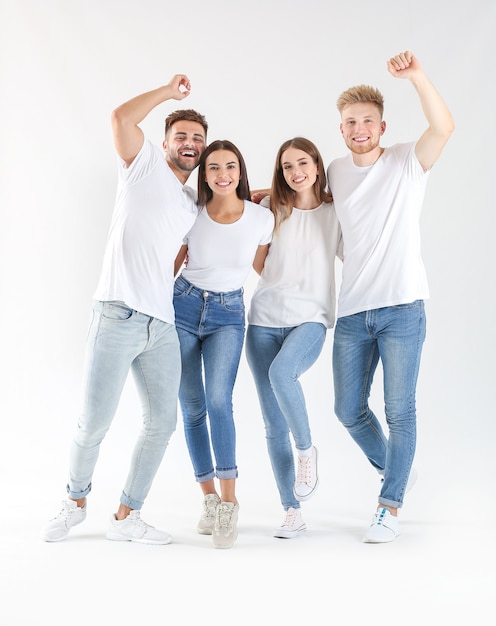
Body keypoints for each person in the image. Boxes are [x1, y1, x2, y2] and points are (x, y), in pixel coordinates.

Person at [41, 75, 208, 544]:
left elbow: (180, 246)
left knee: (162, 423)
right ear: (165, 142)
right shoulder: (143, 164)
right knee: (95, 421)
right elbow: (120, 118)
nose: (190, 144)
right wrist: (169, 93)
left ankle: (126, 516)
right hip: (116, 315)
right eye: (182, 136)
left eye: (197, 138)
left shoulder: (192, 202)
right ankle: (73, 503)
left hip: (163, 325)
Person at [327, 51, 454, 543]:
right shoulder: (336, 169)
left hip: (403, 306)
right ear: (341, 130)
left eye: (366, 121)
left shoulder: (406, 161)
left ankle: (389, 504)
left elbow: (443, 127)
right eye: (349, 122)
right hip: (354, 310)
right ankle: (396, 467)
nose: (359, 128)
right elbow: (302, 196)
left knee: (399, 409)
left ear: (382, 126)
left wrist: (418, 76)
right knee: (347, 409)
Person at [173, 140, 274, 549]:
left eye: (230, 167)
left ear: (240, 171)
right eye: (213, 167)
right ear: (204, 174)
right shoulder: (191, 212)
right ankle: (209, 499)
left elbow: (264, 267)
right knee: (191, 407)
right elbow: (173, 261)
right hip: (182, 305)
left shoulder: (260, 218)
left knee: (219, 401)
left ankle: (230, 502)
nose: (221, 174)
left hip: (229, 314)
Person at [245, 137, 341, 539]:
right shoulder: (271, 210)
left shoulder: (337, 212)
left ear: (317, 166)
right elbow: (258, 262)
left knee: (283, 374)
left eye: (303, 163)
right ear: (280, 173)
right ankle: (291, 510)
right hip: (264, 320)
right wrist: (264, 196)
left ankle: (306, 450)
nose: (296, 171)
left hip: (311, 320)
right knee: (271, 424)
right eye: (287, 167)